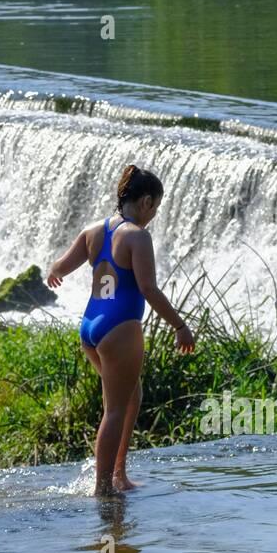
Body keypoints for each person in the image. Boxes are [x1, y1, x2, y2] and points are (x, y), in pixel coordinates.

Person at [47, 164, 194, 497]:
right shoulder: (137, 237)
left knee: (131, 397)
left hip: (91, 326)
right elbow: (149, 289)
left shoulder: (93, 231)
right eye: (155, 207)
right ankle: (104, 489)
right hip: (121, 328)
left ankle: (119, 474)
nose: (154, 214)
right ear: (144, 202)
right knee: (114, 410)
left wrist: (54, 272)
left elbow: (61, 266)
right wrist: (180, 326)